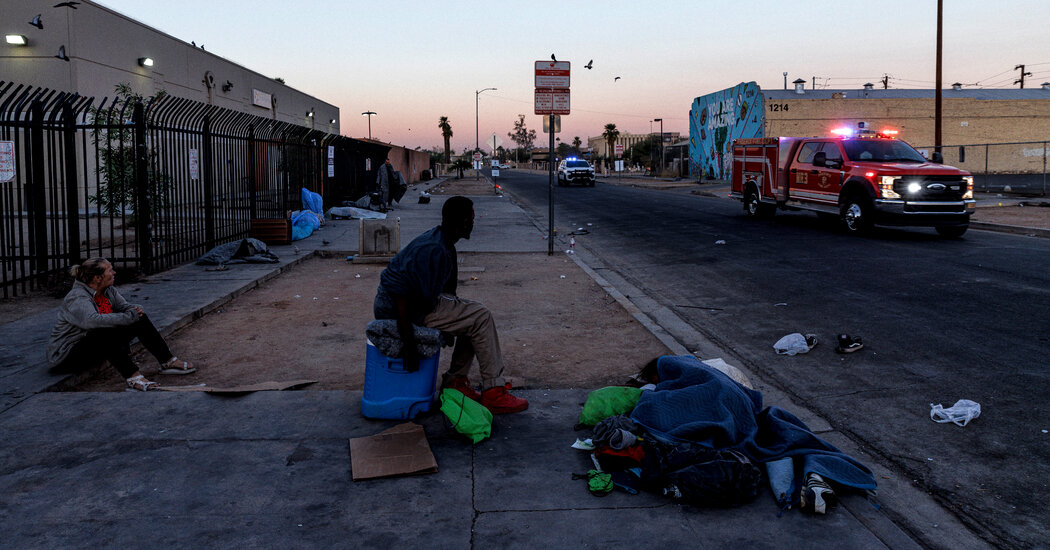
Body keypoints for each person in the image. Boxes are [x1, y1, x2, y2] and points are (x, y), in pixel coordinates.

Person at [373, 196, 528, 414]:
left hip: (419, 302)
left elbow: (449, 294)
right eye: (472, 219)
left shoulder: (445, 243)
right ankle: (494, 392)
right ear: (463, 222)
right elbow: (401, 295)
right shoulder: (433, 248)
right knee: (480, 316)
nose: (474, 223)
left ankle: (456, 382)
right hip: (398, 306)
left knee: (472, 316)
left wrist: (454, 322)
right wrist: (408, 343)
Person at [47, 258, 195, 391]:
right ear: (97, 278)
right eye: (110, 270)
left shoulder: (107, 290)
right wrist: (129, 315)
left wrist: (135, 310)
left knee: (139, 319)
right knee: (103, 330)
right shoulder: (77, 297)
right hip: (68, 355)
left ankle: (167, 361)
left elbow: (125, 307)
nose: (114, 272)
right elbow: (92, 321)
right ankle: (133, 377)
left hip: (96, 344)